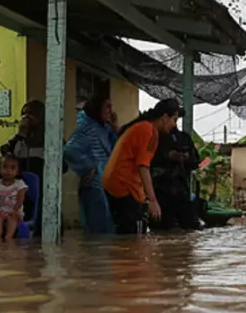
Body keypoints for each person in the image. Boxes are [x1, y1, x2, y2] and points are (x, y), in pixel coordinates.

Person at [102, 99, 182, 235]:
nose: (174, 125)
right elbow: (143, 166)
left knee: (126, 236)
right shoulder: (148, 130)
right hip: (123, 185)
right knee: (132, 237)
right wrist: (152, 200)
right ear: (164, 118)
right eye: (174, 120)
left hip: (114, 183)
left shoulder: (145, 129)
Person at [65, 93, 119, 234]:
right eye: (107, 107)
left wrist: (114, 128)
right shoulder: (87, 127)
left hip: (105, 182)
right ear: (97, 108)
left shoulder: (104, 128)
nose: (110, 111)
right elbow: (70, 149)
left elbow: (115, 149)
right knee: (98, 229)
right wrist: (89, 167)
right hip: (94, 184)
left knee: (105, 229)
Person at [150, 126, 201, 231]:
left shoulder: (184, 138)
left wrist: (186, 157)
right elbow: (147, 161)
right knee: (162, 228)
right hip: (161, 192)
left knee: (189, 227)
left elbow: (196, 161)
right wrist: (167, 156)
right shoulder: (155, 138)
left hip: (181, 191)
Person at [0, 154, 28, 242]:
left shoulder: (20, 184)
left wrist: (14, 210)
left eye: (12, 168)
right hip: (0, 211)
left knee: (13, 217)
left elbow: (20, 200)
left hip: (15, 211)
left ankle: (9, 238)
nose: (8, 170)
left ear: (18, 171)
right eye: (5, 167)